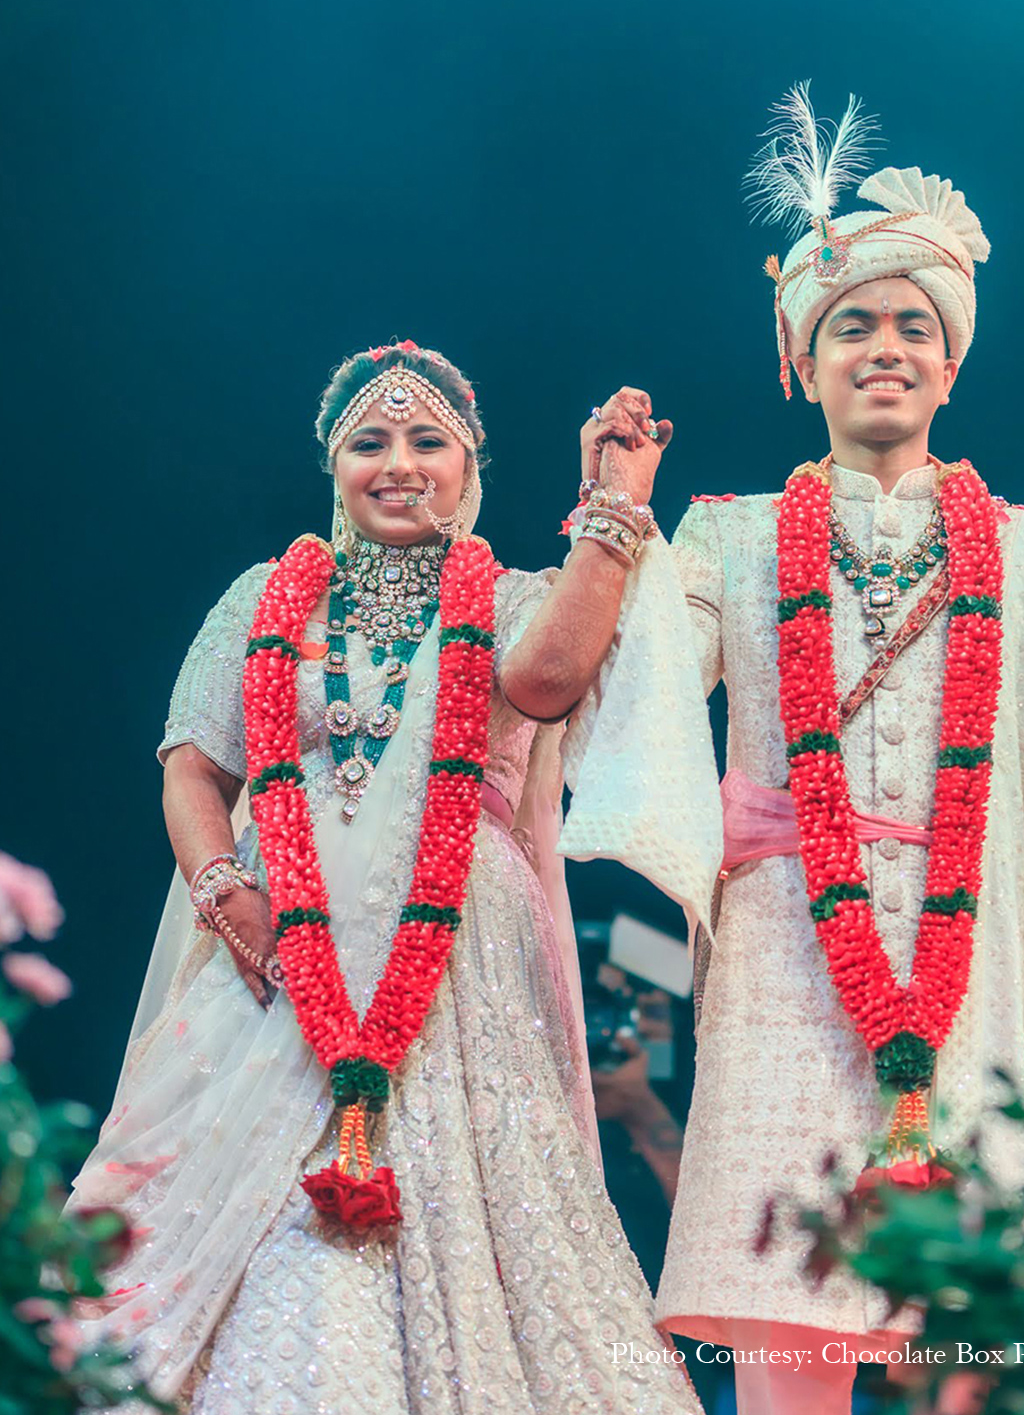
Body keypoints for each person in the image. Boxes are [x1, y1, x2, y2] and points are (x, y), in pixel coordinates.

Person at [70, 340, 719, 1414]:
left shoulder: (515, 598)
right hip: (279, 949)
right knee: (250, 1214)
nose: (398, 464)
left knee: (490, 1209)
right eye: (368, 442)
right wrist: (226, 884)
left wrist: (613, 501)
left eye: (428, 441)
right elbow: (193, 763)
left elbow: (547, 680)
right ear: (332, 467)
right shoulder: (259, 599)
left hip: (464, 961)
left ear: (471, 470)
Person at [636, 87, 1024, 1414]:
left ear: (953, 358)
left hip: (976, 984)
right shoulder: (726, 538)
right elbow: (618, 691)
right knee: (787, 1342)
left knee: (968, 1354)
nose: (885, 347)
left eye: (913, 324)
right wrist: (613, 530)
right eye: (851, 323)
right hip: (783, 973)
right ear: (799, 357)